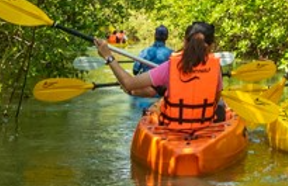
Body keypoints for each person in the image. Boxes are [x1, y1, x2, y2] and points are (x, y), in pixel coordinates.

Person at [95, 21, 225, 125]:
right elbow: (215, 100)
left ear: (185, 41)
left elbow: (128, 82)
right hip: (203, 127)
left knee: (137, 95)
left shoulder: (171, 66)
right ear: (211, 46)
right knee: (221, 105)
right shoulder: (216, 68)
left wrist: (108, 56)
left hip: (173, 128)